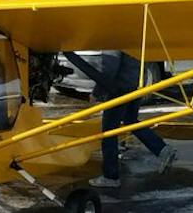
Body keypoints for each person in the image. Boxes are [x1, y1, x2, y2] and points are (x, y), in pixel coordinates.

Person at [73, 50, 176, 188]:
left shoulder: (114, 41)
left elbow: (109, 71)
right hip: (134, 85)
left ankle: (111, 176)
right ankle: (163, 150)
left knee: (109, 131)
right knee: (131, 121)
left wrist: (97, 93)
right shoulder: (130, 36)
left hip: (119, 90)